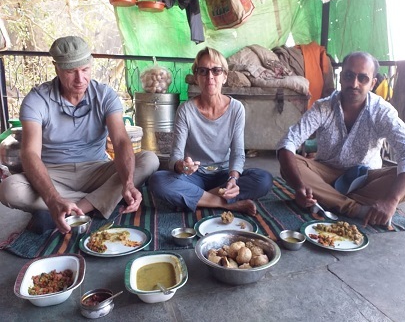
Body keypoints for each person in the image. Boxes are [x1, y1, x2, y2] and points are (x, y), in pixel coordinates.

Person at [0, 36, 159, 234]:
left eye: (85, 70)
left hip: (96, 169)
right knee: (9, 188)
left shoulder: (105, 95)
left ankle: (74, 210)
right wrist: (53, 197)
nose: (80, 79)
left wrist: (127, 183)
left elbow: (120, 141)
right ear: (56, 68)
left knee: (149, 159)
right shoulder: (37, 99)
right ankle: (97, 203)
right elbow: (30, 154)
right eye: (70, 71)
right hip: (53, 174)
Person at [277, 51, 405, 226]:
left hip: (364, 180)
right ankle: (355, 209)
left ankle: (327, 199)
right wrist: (300, 186)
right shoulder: (323, 107)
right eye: (349, 76)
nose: (354, 84)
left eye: (362, 78)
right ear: (341, 78)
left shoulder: (382, 111)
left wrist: (391, 200)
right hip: (325, 174)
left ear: (372, 83)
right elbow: (288, 142)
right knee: (291, 163)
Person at [149, 47, 273, 216]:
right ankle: (226, 204)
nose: (210, 77)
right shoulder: (185, 110)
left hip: (223, 175)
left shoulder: (236, 109)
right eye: (203, 71)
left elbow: (238, 153)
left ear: (225, 76)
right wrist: (183, 167)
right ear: (196, 77)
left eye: (216, 70)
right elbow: (175, 158)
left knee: (263, 180)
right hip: (194, 177)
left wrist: (233, 179)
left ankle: (196, 199)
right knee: (158, 181)